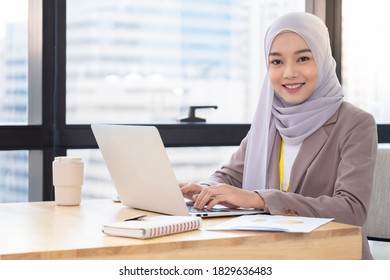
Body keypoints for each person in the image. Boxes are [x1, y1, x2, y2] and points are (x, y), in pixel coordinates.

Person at [180, 12, 378, 260]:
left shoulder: (355, 123)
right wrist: (204, 189)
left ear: (324, 60)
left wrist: (260, 199)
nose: (289, 73)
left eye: (303, 58)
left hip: (331, 256)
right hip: (273, 253)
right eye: (277, 62)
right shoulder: (270, 119)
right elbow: (230, 175)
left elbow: (351, 210)